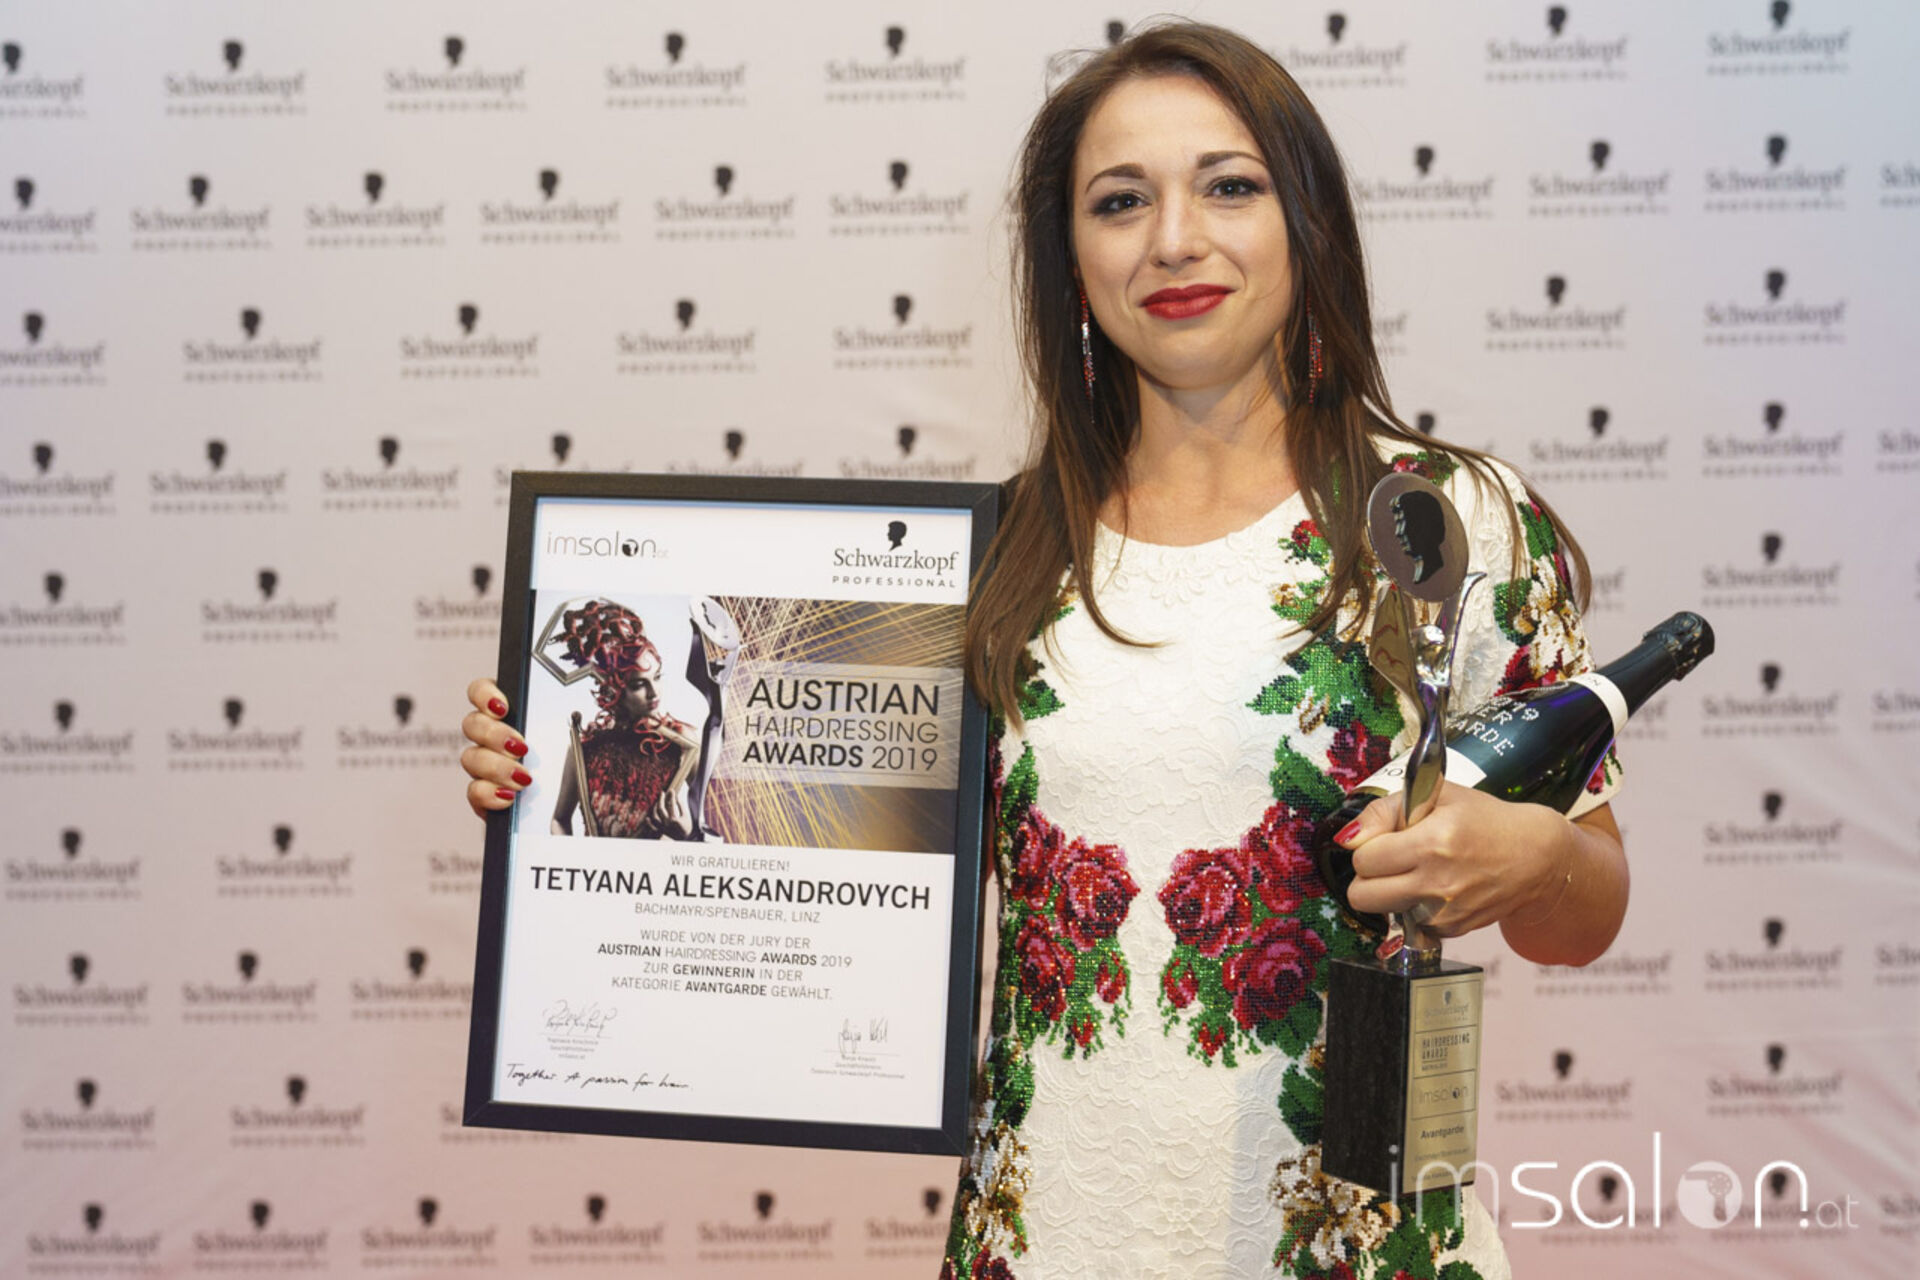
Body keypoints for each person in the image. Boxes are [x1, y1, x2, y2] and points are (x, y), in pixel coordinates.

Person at [460, 22, 1627, 1280]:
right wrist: (556, 782)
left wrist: (1537, 858)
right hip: (1047, 1236)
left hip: (1357, 1242)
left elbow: (1587, 911)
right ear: (1070, 258)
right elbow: (792, 839)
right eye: (1120, 201)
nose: (1174, 238)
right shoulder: (990, 560)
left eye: (1228, 186)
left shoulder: (1449, 522)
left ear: (1310, 222)